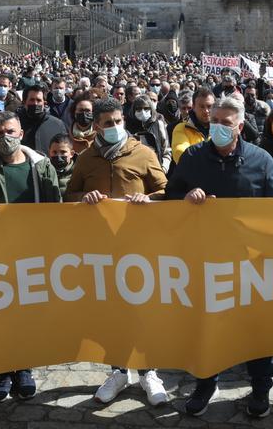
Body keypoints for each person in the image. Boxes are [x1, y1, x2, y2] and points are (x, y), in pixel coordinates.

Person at [165, 96, 273, 419]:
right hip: (206, 260)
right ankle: (206, 383)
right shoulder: (192, 158)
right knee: (208, 328)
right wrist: (186, 198)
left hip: (251, 263)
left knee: (255, 331)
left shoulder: (261, 161)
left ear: (241, 127)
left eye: (226, 122)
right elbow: (170, 194)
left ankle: (261, 388)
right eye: (214, 120)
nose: (218, 126)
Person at [65, 99, 169, 407]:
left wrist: (148, 198)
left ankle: (149, 372)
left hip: (139, 246)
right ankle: (118, 371)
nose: (115, 127)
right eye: (108, 123)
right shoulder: (85, 159)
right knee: (112, 310)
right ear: (96, 126)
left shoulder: (143, 153)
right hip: (102, 249)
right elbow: (70, 194)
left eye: (118, 121)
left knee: (141, 308)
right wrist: (85, 196)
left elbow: (166, 190)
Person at [0, 111, 61, 404]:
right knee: (0, 313)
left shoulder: (41, 166)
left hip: (31, 251)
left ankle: (25, 367)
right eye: (0, 132)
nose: (6, 137)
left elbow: (55, 208)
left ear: (21, 134)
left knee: (27, 311)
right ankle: (4, 370)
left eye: (11, 131)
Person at [18, 83, 66, 156]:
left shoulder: (57, 124)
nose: (35, 103)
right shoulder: (16, 124)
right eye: (32, 100)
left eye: (39, 100)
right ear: (24, 102)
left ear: (44, 103)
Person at [125, 95, 171, 171]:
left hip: (156, 168)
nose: (142, 111)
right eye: (138, 109)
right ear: (134, 110)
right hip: (134, 170)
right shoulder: (127, 126)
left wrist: (164, 168)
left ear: (151, 109)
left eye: (146, 108)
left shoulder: (158, 124)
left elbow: (166, 150)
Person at [171, 87, 214, 166]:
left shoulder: (222, 127)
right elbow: (180, 153)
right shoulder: (181, 128)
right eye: (202, 106)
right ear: (193, 107)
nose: (206, 111)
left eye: (209, 106)